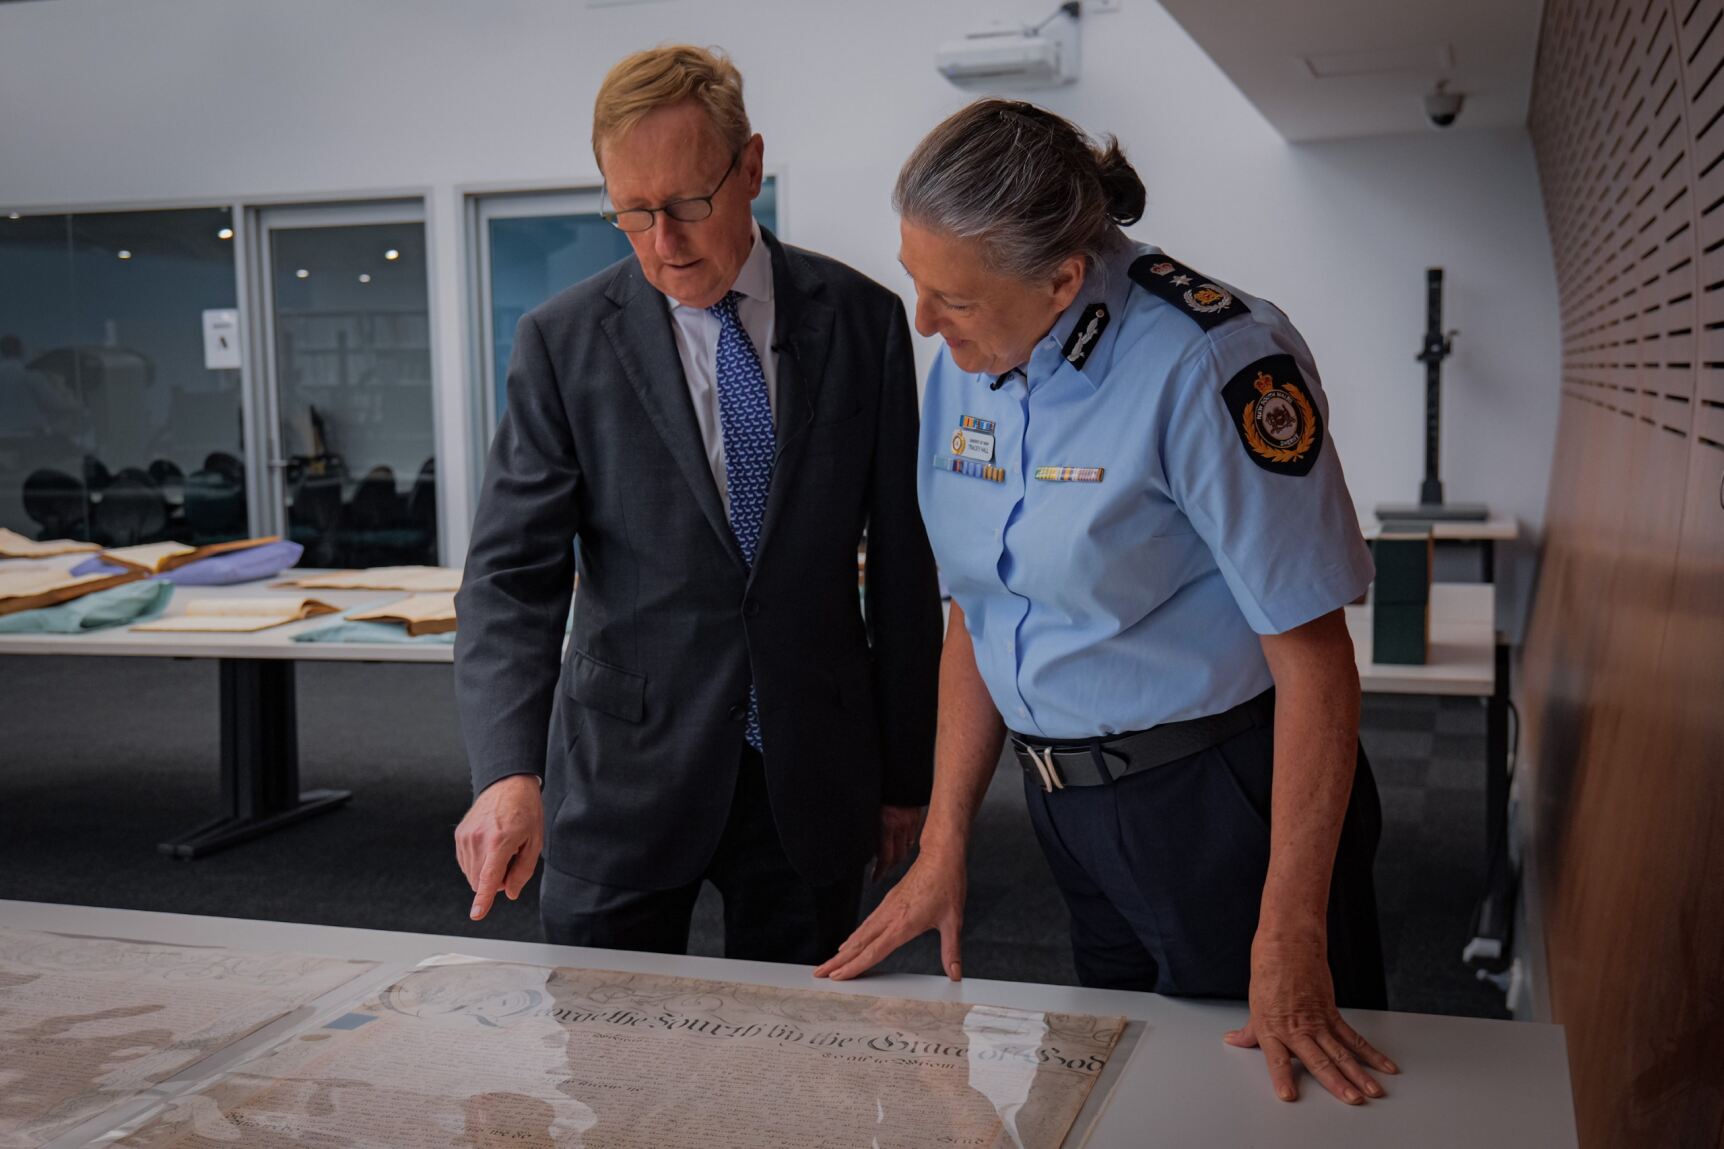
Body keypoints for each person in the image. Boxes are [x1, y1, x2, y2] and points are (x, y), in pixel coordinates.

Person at [815, 100, 1398, 1107]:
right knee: (1126, 1096)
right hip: (1066, 809)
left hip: (1223, 802)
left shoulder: (1211, 361)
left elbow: (1315, 660)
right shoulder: (971, 354)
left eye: (950, 296)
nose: (922, 321)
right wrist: (948, 834)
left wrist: (1287, 923)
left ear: (1062, 279)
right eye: (915, 280)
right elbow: (977, 610)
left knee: (1271, 1100)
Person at [452, 46, 941, 965]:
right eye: (630, 213)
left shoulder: (862, 320)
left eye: (685, 204)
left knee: (804, 1079)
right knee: (611, 1074)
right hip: (624, 772)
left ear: (750, 168)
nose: (662, 242)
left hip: (812, 764)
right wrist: (507, 771)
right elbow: (512, 579)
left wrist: (907, 772)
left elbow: (906, 570)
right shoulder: (561, 343)